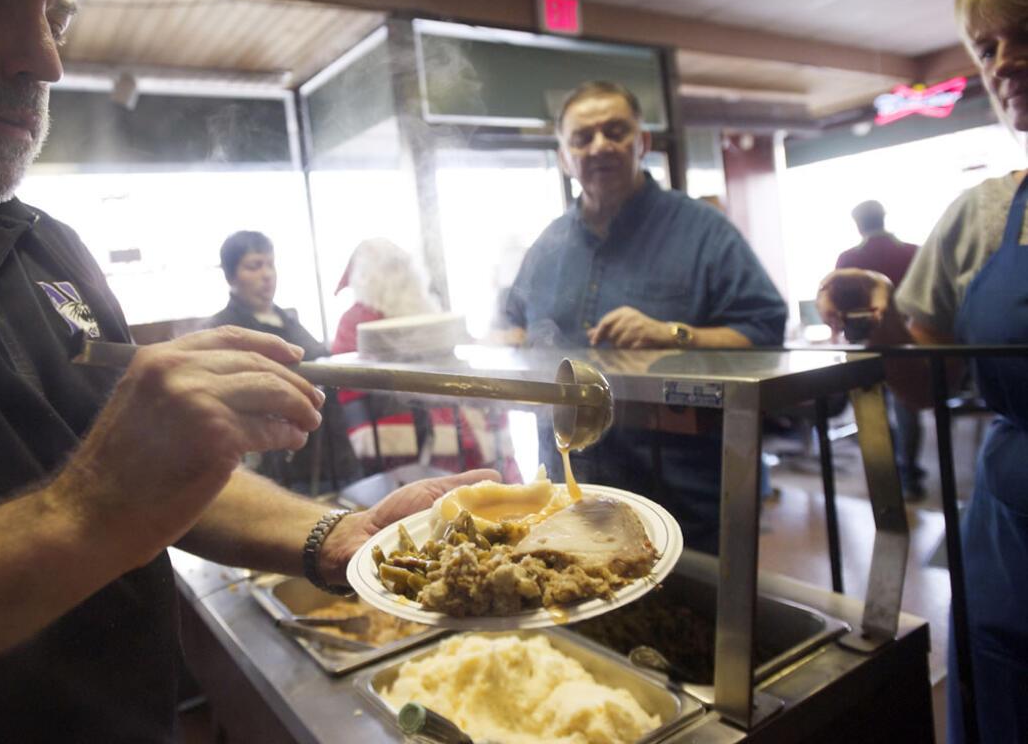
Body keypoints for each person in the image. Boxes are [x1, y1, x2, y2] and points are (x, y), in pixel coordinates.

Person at [0, 0, 495, 740]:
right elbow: (105, 500)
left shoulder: (41, 244)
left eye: (57, 22)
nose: (45, 62)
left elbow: (147, 479)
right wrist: (80, 514)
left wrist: (336, 538)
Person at [816, 0, 1028, 741]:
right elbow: (923, 383)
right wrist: (882, 318)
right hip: (1013, 546)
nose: (1003, 61)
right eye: (988, 45)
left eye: (1024, 32)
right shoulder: (981, 216)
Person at [501, 80, 787, 553]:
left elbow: (764, 332)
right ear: (563, 156)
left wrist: (675, 335)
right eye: (582, 137)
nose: (600, 147)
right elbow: (514, 327)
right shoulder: (547, 245)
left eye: (615, 131)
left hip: (683, 495)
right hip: (570, 491)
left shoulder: (704, 231)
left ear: (643, 143)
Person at [331, 238, 520, 481]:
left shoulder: (423, 304)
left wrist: (491, 340)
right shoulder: (355, 319)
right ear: (370, 276)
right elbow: (356, 375)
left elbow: (459, 344)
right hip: (405, 410)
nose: (399, 273)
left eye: (402, 264)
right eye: (389, 267)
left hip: (444, 397)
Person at [207, 230, 360, 493]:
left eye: (270, 264)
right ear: (231, 275)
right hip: (286, 470)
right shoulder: (224, 330)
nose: (266, 274)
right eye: (254, 266)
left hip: (335, 456)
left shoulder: (289, 320)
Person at [834, 200, 927, 500]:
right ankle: (909, 475)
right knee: (907, 406)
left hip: (864, 344)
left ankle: (883, 478)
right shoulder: (913, 252)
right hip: (905, 339)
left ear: (858, 224)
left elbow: (838, 304)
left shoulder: (848, 259)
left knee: (872, 410)